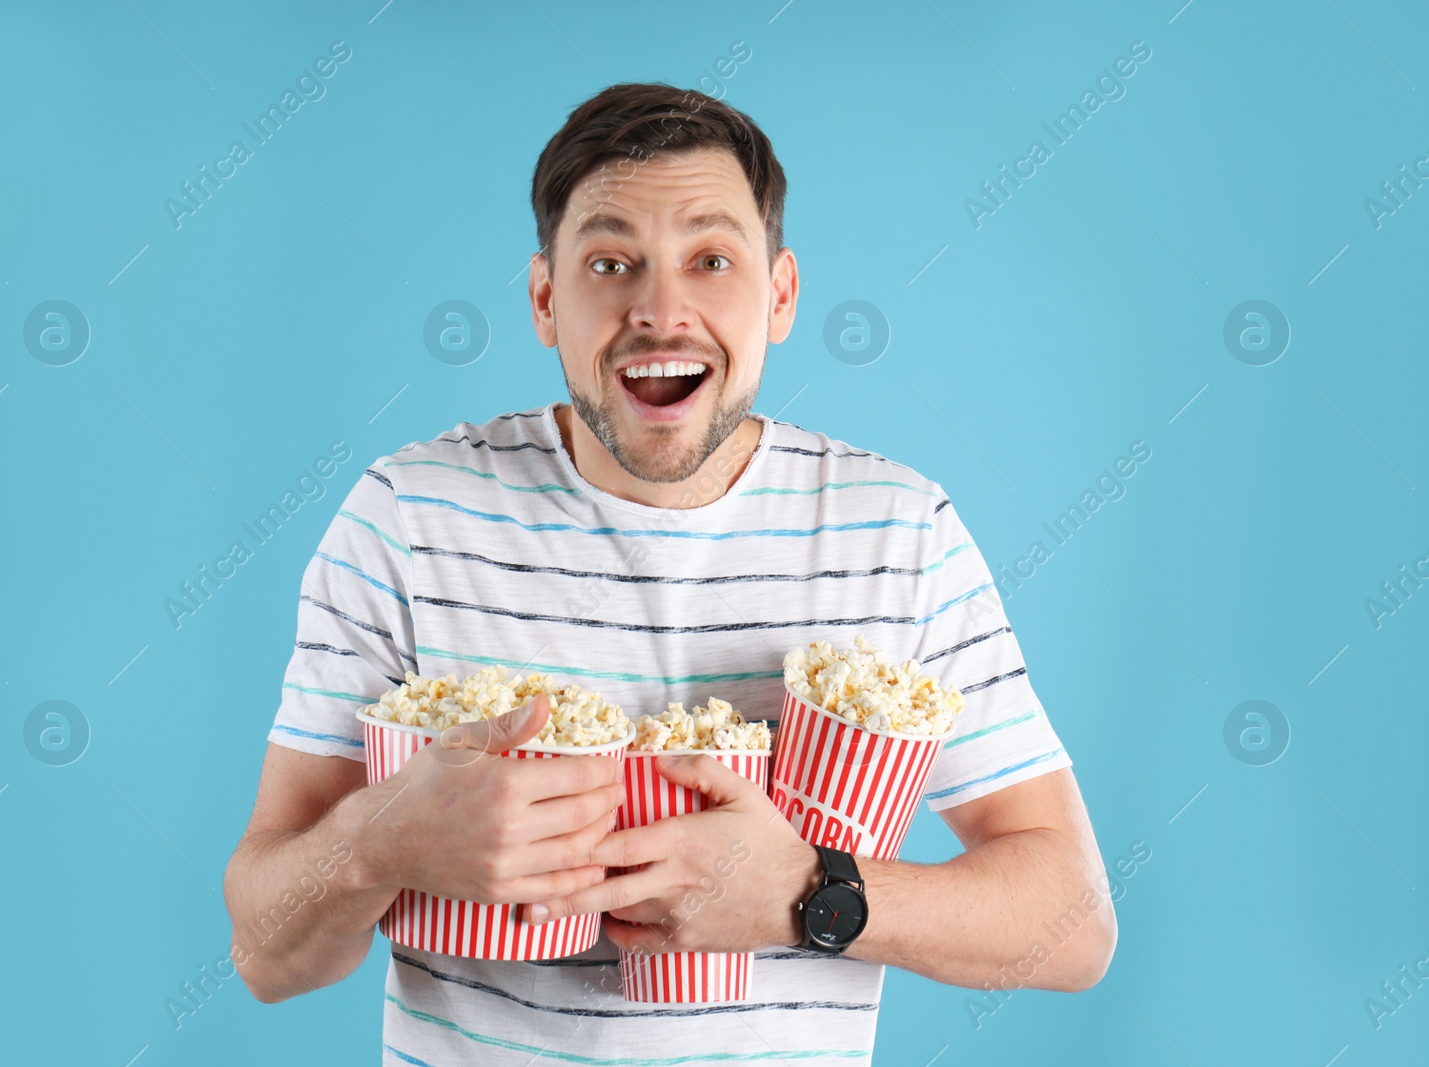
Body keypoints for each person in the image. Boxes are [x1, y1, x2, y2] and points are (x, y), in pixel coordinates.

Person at [224, 81, 1115, 1065]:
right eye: (611, 262)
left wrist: (806, 893)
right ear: (545, 300)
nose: (660, 309)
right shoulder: (406, 517)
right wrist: (378, 839)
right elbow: (267, 953)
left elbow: (1071, 922)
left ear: (778, 296)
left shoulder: (896, 533)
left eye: (710, 259)